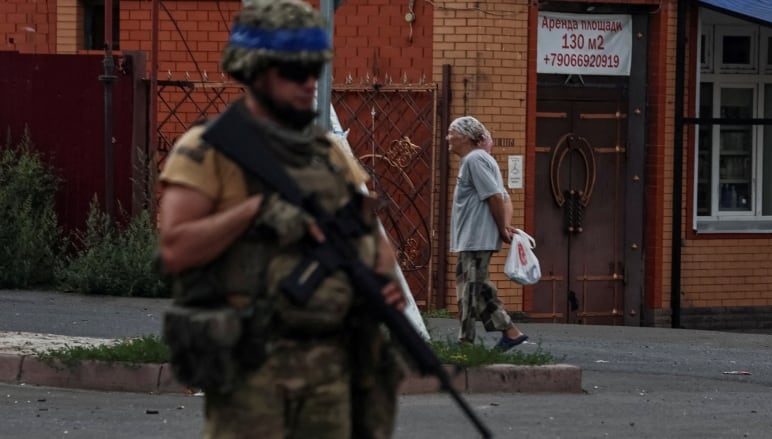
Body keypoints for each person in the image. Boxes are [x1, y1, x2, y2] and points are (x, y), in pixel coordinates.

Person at [157, 0, 405, 437]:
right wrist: (256, 210)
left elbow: (376, 243)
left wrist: (380, 281)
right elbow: (176, 249)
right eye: (295, 71)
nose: (310, 82)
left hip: (332, 366)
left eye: (314, 69)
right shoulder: (209, 149)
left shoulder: (326, 155)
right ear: (255, 71)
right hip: (255, 365)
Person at [447, 115, 528, 351]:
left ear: (466, 136)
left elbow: (495, 197)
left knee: (468, 290)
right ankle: (511, 332)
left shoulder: (475, 159)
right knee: (479, 287)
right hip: (474, 238)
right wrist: (504, 225)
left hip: (476, 238)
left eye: (452, 132)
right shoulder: (481, 159)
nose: (448, 138)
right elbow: (504, 197)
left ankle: (466, 343)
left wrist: (503, 228)